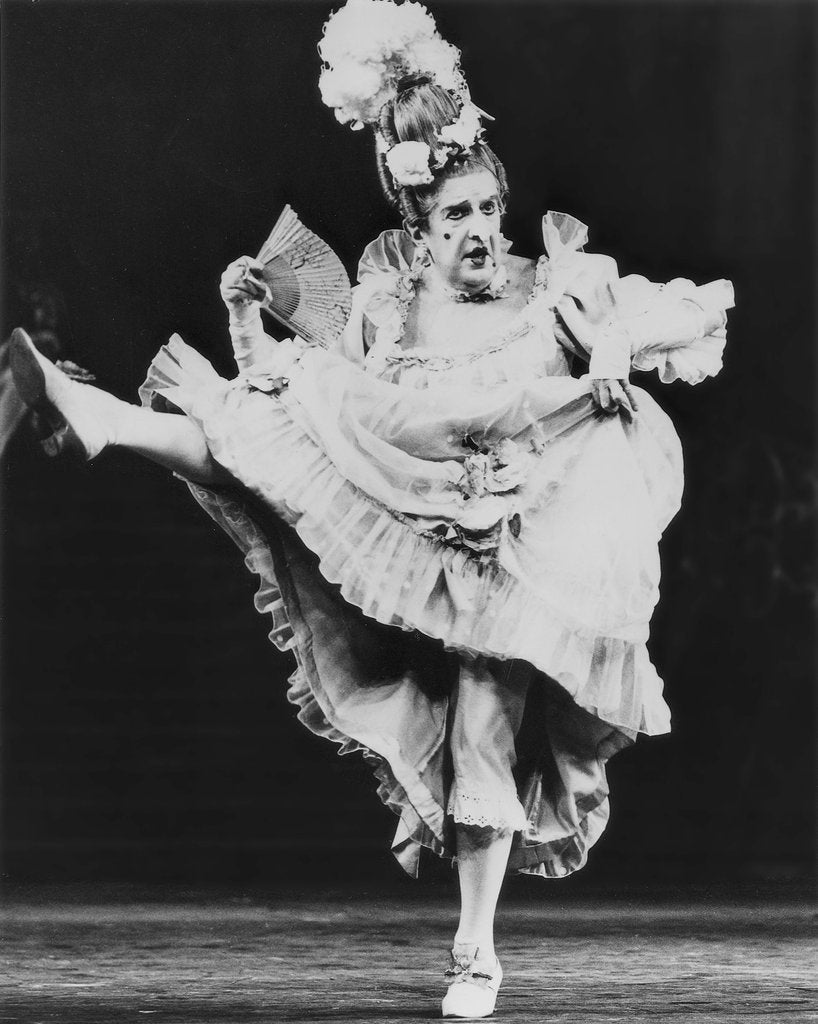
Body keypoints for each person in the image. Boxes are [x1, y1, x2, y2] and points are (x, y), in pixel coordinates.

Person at [9, 1, 733, 1017]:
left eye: (485, 209)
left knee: (484, 713)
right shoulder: (387, 311)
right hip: (410, 516)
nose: (478, 231)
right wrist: (238, 315)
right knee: (269, 438)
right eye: (454, 218)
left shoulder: (552, 286)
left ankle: (473, 950)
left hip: (519, 547)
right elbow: (303, 401)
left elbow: (689, 308)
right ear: (418, 233)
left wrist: (611, 342)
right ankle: (100, 415)